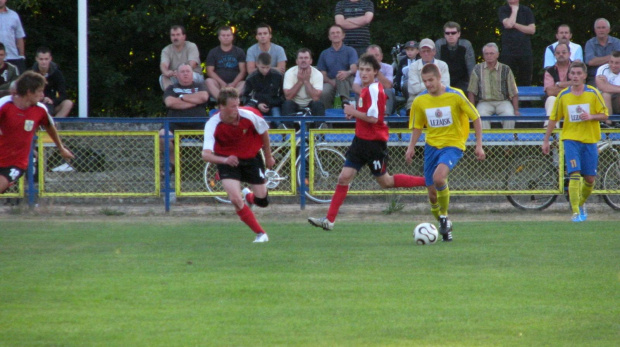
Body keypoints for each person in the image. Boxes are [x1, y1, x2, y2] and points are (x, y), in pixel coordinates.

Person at [308, 54, 425, 231]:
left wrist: (353, 112)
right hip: (360, 142)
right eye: (361, 69)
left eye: (368, 70)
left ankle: (427, 181)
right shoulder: (365, 89)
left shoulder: (373, 90)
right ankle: (329, 220)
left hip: (374, 145)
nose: (364, 73)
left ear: (376, 72)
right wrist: (354, 112)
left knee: (386, 182)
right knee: (344, 177)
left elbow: (373, 118)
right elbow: (366, 114)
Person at [406, 63, 485, 241]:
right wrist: (411, 147)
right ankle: (445, 223)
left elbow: (476, 117)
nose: (428, 84)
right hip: (431, 147)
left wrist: (478, 145)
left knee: (439, 178)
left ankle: (442, 217)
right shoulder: (420, 101)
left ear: (439, 77)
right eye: (425, 81)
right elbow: (418, 126)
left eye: (431, 80)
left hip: (453, 144)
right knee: (432, 194)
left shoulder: (455, 95)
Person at [201, 87, 274, 243]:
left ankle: (249, 195)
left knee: (263, 201)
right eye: (232, 106)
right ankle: (261, 233)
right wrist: (225, 160)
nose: (237, 109)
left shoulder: (249, 115)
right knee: (235, 199)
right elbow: (205, 154)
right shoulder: (213, 124)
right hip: (227, 161)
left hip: (251, 158)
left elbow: (264, 133)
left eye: (238, 104)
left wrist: (268, 156)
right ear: (221, 106)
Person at [542, 61, 608, 222]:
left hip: (590, 140)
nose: (576, 76)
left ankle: (581, 203)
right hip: (570, 139)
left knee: (590, 179)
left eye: (579, 74)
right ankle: (576, 212)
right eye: (573, 74)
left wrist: (591, 116)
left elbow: (604, 115)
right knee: (574, 174)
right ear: (570, 76)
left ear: (585, 76)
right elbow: (553, 118)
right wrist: (545, 140)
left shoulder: (593, 93)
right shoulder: (564, 95)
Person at [0, 71, 74, 194]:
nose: (42, 95)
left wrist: (61, 148)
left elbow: (50, 127)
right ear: (29, 92)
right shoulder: (5, 104)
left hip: (15, 163)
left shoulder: (40, 110)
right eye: (39, 91)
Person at [160, 63, 209, 172]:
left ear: (192, 74)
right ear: (176, 74)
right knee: (163, 135)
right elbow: (170, 103)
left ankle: (213, 166)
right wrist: (194, 102)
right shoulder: (171, 88)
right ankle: (171, 164)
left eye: (188, 71)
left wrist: (181, 97)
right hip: (175, 124)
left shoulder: (200, 86)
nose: (185, 74)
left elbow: (203, 97)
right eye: (182, 72)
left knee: (217, 132)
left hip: (199, 125)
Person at [467, 42, 519, 130]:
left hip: (503, 101)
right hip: (484, 102)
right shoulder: (477, 69)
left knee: (509, 116)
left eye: (492, 53)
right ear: (483, 55)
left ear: (497, 55)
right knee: (481, 117)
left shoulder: (506, 69)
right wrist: (472, 110)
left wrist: (516, 110)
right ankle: (486, 142)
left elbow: (513, 91)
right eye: (486, 54)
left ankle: (507, 141)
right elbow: (471, 91)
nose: (489, 56)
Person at [317, 24, 358, 110]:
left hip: (349, 80)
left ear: (343, 35)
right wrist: (331, 82)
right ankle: (326, 117)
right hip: (330, 81)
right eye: (332, 33)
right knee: (324, 92)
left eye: (338, 32)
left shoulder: (350, 50)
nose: (335, 35)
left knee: (341, 76)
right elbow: (322, 75)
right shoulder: (324, 53)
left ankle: (345, 102)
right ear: (329, 37)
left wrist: (347, 73)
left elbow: (354, 68)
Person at [498, 0, 536, 86]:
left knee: (525, 80)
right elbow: (508, 25)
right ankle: (508, 100)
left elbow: (532, 30)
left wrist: (514, 24)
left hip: (525, 51)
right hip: (508, 51)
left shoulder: (526, 10)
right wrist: (514, 10)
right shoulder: (503, 10)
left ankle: (525, 100)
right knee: (506, 80)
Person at [406, 39, 450, 112]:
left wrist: (424, 85)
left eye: (428, 51)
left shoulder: (443, 65)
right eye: (423, 51)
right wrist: (434, 84)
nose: (426, 53)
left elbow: (445, 86)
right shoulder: (413, 66)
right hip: (416, 100)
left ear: (434, 52)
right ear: (420, 53)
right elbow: (414, 89)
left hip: (439, 99)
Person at [31, 46, 74, 118]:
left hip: (52, 104)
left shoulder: (57, 74)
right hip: (35, 104)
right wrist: (40, 98)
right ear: (36, 59)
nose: (44, 62)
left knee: (68, 103)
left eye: (46, 59)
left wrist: (52, 101)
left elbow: (63, 94)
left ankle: (54, 125)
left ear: (50, 59)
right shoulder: (31, 73)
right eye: (41, 59)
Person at [205, 26, 246, 100]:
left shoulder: (239, 52)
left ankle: (232, 100)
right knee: (208, 81)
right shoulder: (213, 52)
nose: (226, 37)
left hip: (235, 84)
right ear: (219, 37)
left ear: (232, 37)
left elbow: (243, 71)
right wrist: (222, 83)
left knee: (245, 83)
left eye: (228, 35)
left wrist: (233, 84)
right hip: (218, 84)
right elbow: (209, 71)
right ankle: (222, 101)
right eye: (223, 35)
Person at [352, 45, 395, 115]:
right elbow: (355, 86)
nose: (374, 59)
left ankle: (385, 119)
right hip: (367, 97)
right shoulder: (361, 69)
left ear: (381, 57)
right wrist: (367, 94)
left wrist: (376, 70)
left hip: (382, 98)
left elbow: (388, 86)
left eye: (376, 55)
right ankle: (364, 116)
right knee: (358, 93)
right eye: (371, 56)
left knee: (388, 92)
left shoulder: (388, 68)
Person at [159, 25, 204, 91]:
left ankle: (188, 96)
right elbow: (163, 65)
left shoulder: (191, 46)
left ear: (184, 36)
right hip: (175, 75)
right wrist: (167, 72)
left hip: (193, 74)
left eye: (178, 35)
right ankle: (171, 96)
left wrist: (179, 72)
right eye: (173, 35)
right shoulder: (166, 50)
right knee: (163, 77)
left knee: (186, 74)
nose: (175, 37)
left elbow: (192, 64)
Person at [242, 52, 284, 121]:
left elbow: (282, 96)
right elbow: (245, 97)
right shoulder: (251, 78)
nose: (265, 70)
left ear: (271, 65)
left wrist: (270, 103)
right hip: (255, 105)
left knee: (277, 121)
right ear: (257, 64)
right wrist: (258, 104)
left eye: (267, 67)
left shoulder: (278, 76)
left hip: (273, 106)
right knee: (249, 118)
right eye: (263, 67)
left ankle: (281, 131)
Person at [282, 48, 324, 117]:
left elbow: (316, 97)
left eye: (306, 58)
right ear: (297, 61)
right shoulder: (289, 73)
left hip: (310, 104)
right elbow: (288, 97)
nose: (303, 60)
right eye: (301, 58)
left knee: (318, 104)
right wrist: (300, 81)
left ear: (311, 61)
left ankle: (320, 127)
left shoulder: (318, 74)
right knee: (287, 104)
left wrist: (306, 81)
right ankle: (286, 127)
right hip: (294, 104)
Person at [435, 21, 475, 92]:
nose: (450, 35)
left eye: (453, 33)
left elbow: (471, 68)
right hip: (443, 80)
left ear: (459, 34)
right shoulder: (439, 44)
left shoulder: (466, 45)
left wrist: (472, 87)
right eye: (447, 33)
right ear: (444, 35)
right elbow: (435, 67)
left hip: (462, 81)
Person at [543, 43, 571, 127]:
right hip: (556, 100)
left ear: (569, 54)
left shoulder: (576, 68)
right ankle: (551, 127)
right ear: (554, 55)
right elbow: (550, 92)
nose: (561, 55)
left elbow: (580, 85)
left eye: (563, 52)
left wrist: (560, 84)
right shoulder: (550, 71)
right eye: (558, 53)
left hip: (573, 99)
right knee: (552, 99)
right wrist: (570, 86)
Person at [585, 18, 620, 85]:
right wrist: (612, 58)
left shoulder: (617, 42)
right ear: (595, 30)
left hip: (616, 76)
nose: (601, 30)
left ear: (609, 30)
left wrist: (598, 60)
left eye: (603, 27)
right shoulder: (590, 43)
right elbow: (591, 62)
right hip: (594, 77)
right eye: (598, 28)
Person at [0, 0, 26, 74]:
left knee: (16, 84)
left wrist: (21, 56)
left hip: (12, 57)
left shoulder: (14, 15)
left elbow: (19, 36)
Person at [595, 50, 620, 117]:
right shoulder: (603, 69)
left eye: (617, 63)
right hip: (601, 100)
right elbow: (602, 87)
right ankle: (608, 123)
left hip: (617, 100)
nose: (613, 65)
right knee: (606, 94)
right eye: (611, 62)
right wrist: (606, 86)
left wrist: (608, 84)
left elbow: (606, 87)